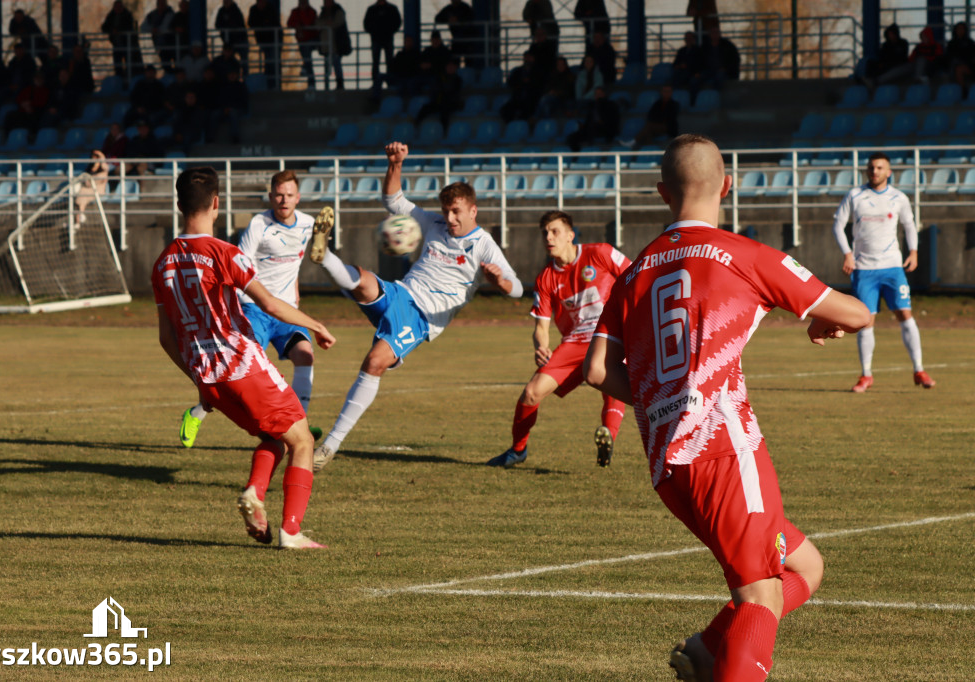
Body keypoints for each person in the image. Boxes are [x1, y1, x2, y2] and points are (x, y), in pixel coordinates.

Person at [583, 133, 871, 682]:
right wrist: (821, 318)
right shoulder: (743, 255)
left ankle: (707, 650)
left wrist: (665, 394)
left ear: (663, 193)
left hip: (669, 465)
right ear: (729, 186)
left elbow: (597, 370)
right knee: (760, 593)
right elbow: (858, 314)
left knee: (805, 566)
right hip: (723, 450)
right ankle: (723, 659)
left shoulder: (635, 270)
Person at [310, 141, 522, 470]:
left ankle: (329, 447)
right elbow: (393, 200)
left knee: (374, 361)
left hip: (422, 319)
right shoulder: (433, 223)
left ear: (473, 211)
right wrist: (395, 164)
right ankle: (324, 256)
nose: (450, 218)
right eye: (447, 211)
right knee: (364, 280)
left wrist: (501, 282)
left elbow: (518, 289)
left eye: (457, 212)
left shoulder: (484, 245)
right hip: (402, 293)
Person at [153, 166, 335, 549]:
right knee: (301, 440)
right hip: (242, 365)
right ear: (216, 204)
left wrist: (197, 380)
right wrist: (315, 325)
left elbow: (167, 339)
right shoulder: (224, 253)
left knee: (273, 435)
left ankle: (255, 491)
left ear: (178, 203)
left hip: (208, 377)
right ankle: (291, 530)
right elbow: (270, 303)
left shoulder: (162, 263)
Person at [180, 170, 334, 449]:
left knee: (306, 356)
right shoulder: (258, 225)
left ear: (298, 197)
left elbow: (293, 264)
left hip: (287, 311)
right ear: (270, 196)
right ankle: (197, 413)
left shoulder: (309, 224)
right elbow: (239, 269)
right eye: (278, 194)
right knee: (236, 372)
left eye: (289, 195)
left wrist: (295, 292)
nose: (283, 200)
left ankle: (298, 424)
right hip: (256, 309)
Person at [489, 210, 630, 469]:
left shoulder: (600, 253)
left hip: (610, 334)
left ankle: (608, 434)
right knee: (532, 392)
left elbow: (635, 276)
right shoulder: (546, 278)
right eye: (545, 233)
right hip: (574, 344)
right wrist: (540, 346)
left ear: (570, 235)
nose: (548, 237)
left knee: (611, 378)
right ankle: (518, 450)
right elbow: (540, 327)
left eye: (554, 231)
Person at [831, 152, 935, 393]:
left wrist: (914, 251)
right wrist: (847, 253)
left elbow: (909, 225)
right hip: (864, 269)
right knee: (865, 321)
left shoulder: (898, 197)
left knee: (905, 314)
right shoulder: (855, 195)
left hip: (892, 267)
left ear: (889, 172)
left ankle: (919, 369)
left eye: (879, 167)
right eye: (871, 167)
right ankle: (866, 375)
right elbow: (838, 224)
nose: (874, 171)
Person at [566, 85, 621, 151]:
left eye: (599, 94)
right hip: (591, 129)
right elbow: (589, 119)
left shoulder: (611, 105)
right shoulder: (592, 105)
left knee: (591, 128)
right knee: (572, 137)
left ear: (604, 94)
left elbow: (613, 121)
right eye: (596, 94)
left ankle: (590, 151)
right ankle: (576, 156)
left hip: (605, 129)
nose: (597, 96)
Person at [364, 0, 401, 87]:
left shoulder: (391, 8)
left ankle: (390, 82)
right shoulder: (372, 9)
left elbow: (397, 22)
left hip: (387, 38)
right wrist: (374, 31)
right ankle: (376, 83)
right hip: (377, 39)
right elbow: (366, 24)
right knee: (376, 62)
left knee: (389, 62)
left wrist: (389, 30)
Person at [102, 1, 143, 78]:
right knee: (118, 65)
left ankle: (127, 79)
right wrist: (112, 30)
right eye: (116, 7)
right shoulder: (111, 16)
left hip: (126, 44)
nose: (118, 9)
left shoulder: (127, 15)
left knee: (129, 64)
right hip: (117, 44)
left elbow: (129, 27)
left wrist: (119, 30)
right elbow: (104, 27)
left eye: (119, 7)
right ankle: (120, 80)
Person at [248, 0, 284, 89]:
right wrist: (263, 24)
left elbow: (274, 23)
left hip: (273, 39)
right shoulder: (253, 9)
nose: (261, 3)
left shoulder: (271, 8)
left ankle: (275, 85)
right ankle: (270, 85)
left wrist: (263, 24)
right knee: (269, 62)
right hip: (263, 40)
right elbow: (251, 23)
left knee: (273, 62)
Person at [632, 83, 679, 148]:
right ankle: (650, 148)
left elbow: (669, 118)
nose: (666, 93)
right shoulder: (657, 103)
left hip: (668, 127)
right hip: (654, 126)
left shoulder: (674, 104)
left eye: (668, 91)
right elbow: (650, 115)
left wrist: (658, 119)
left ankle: (633, 141)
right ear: (661, 92)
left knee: (649, 126)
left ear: (671, 93)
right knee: (648, 131)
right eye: (664, 91)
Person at [317, 0, 351, 90]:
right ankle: (327, 84)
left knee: (336, 63)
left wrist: (326, 23)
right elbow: (317, 24)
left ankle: (340, 83)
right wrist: (327, 23)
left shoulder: (338, 11)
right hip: (326, 45)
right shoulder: (323, 12)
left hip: (336, 44)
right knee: (328, 65)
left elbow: (337, 22)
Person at [288, 0, 319, 89]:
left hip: (312, 40)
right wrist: (297, 25)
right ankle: (311, 82)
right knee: (307, 60)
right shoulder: (295, 11)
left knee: (307, 59)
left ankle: (310, 81)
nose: (302, 4)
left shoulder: (312, 11)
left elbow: (308, 23)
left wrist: (300, 24)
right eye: (301, 2)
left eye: (304, 2)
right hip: (302, 41)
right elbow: (289, 23)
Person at [215, 0, 250, 77]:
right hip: (229, 42)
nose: (226, 2)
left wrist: (228, 28)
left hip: (240, 40)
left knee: (244, 62)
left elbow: (239, 24)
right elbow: (217, 24)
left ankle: (245, 79)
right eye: (225, 1)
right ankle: (231, 79)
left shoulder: (236, 11)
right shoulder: (221, 11)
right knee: (230, 61)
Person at [141, 0, 177, 72]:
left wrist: (157, 30)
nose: (161, 6)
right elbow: (143, 27)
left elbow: (165, 27)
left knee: (176, 62)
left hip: (171, 43)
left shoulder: (170, 14)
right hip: (160, 45)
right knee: (165, 63)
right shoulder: (152, 15)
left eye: (163, 4)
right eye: (160, 4)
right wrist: (152, 29)